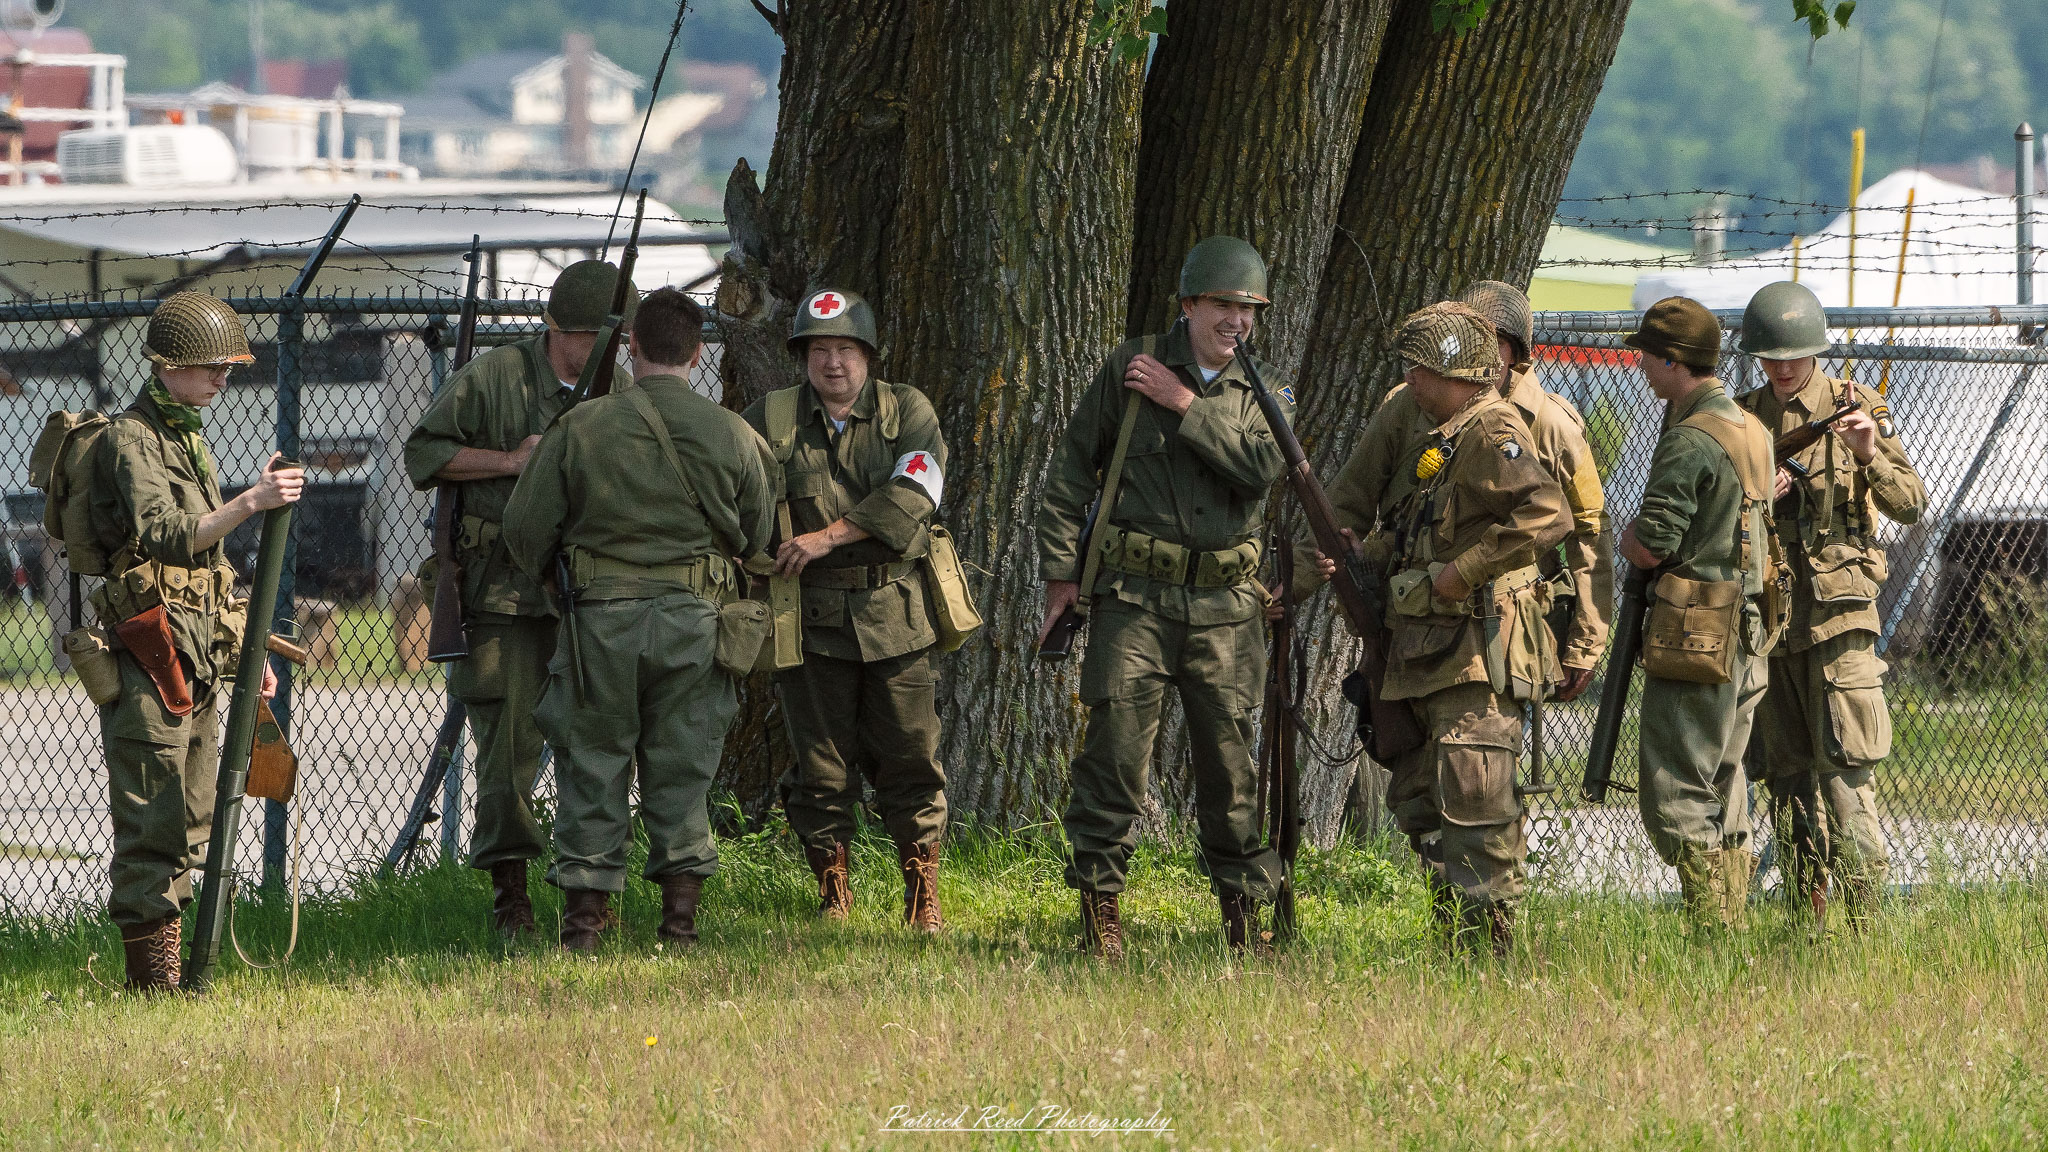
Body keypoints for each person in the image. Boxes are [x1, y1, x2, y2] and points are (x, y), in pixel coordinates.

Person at [1036, 236, 1290, 960]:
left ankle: (1244, 919)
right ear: (1189, 305)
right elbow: (1069, 472)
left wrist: (1182, 404)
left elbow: (1261, 467)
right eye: (1223, 305)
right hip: (1134, 601)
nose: (1237, 321)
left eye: (1249, 309)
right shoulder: (1129, 367)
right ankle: (1099, 916)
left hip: (1226, 610)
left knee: (1231, 765)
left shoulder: (1264, 390)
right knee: (1113, 757)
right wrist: (1060, 573)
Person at [503, 288, 774, 951]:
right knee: (683, 768)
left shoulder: (582, 427)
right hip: (695, 625)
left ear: (631, 345)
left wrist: (554, 577)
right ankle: (679, 928)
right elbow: (758, 533)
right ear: (699, 352)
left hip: (600, 625)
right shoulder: (735, 433)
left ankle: (584, 930)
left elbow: (524, 527)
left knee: (593, 765)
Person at [1293, 302, 1569, 954]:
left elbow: (1548, 513)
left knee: (1477, 803)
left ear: (1461, 374)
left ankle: (1492, 957)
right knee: (1421, 801)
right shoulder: (1411, 416)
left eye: (1422, 369)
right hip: (1411, 642)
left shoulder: (1493, 428)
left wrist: (1464, 571)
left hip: (1473, 648)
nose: (1410, 380)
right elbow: (1348, 508)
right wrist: (1294, 583)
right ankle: (1458, 946)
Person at [403, 259, 636, 937]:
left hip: (583, 594)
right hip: (500, 594)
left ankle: (589, 895)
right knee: (507, 751)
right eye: (591, 336)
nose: (602, 352)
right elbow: (425, 453)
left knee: (595, 745)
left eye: (612, 339)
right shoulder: (495, 379)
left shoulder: (618, 390)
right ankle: (511, 896)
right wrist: (510, 460)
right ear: (555, 329)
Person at [87, 291, 304, 990]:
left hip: (198, 654)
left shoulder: (187, 435)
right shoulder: (132, 438)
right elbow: (169, 537)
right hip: (150, 656)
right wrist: (251, 502)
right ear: (168, 365)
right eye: (212, 367)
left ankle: (176, 979)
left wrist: (246, 653)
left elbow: (208, 575)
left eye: (229, 369)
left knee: (192, 817)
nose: (222, 379)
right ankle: (151, 985)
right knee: (153, 820)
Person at [741, 288, 952, 933]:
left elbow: (917, 488)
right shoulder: (772, 418)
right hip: (809, 619)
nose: (833, 364)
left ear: (868, 355)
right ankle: (835, 898)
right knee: (821, 763)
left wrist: (824, 538)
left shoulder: (907, 410)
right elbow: (734, 488)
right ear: (803, 358)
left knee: (910, 755)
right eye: (819, 351)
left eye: (845, 350)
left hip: (895, 611)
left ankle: (922, 897)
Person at [1734, 280, 1925, 927]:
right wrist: (1758, 491)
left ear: (1814, 352)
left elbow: (1910, 503)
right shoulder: (1738, 419)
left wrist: (1867, 451)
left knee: (1844, 781)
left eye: (1795, 355)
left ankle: (1867, 929)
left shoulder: (1856, 406)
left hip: (1839, 621)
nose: (1784, 368)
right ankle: (1805, 929)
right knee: (1786, 785)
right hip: (1769, 626)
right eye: (1771, 358)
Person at [1619, 296, 1776, 934]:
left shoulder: (1690, 438)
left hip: (1699, 631)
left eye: (1648, 357)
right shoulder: (1750, 428)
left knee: (1676, 792)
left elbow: (1653, 541)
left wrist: (1627, 541)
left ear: (1675, 362)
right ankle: (1730, 929)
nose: (1641, 369)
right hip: (1751, 626)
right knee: (1726, 781)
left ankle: (1714, 927)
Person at [1457, 281, 1613, 698]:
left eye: (1497, 342)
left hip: (1516, 621)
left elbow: (1590, 532)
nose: (1486, 355)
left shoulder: (1552, 425)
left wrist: (1584, 646)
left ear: (1517, 351)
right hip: (1435, 608)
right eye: (1475, 340)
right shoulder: (1431, 405)